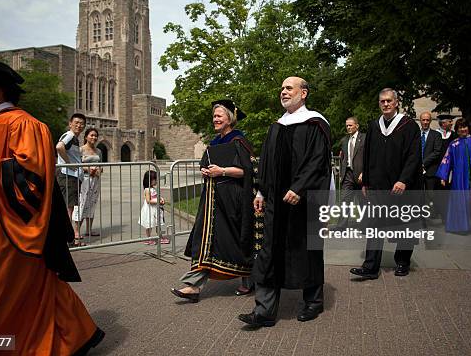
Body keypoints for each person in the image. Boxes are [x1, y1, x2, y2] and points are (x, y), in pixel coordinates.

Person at [0, 56, 104, 354]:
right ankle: (69, 336)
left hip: (8, 228)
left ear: (0, 88)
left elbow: (32, 179)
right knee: (36, 288)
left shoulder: (25, 125)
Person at [238, 77, 332, 328]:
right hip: (277, 203)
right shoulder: (276, 126)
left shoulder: (315, 123)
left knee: (307, 250)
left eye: (289, 88)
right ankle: (264, 311)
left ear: (304, 93)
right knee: (270, 251)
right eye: (281, 88)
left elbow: (318, 162)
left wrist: (299, 187)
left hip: (303, 202)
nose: (283, 92)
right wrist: (260, 192)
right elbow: (267, 163)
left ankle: (313, 301)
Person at [171, 100, 255, 302]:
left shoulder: (239, 141)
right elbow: (208, 165)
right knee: (206, 241)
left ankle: (249, 279)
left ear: (230, 118)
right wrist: (206, 170)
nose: (215, 119)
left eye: (219, 116)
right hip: (212, 202)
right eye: (214, 116)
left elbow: (247, 171)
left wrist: (222, 171)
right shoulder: (215, 143)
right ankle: (194, 286)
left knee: (234, 241)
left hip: (232, 200)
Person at [350, 88, 422, 280]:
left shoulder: (409, 126)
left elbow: (414, 157)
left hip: (402, 186)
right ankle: (371, 266)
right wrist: (366, 182)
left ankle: (402, 262)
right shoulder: (374, 126)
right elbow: (367, 155)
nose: (386, 104)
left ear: (396, 102)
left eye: (389, 101)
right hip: (378, 186)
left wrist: (404, 179)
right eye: (382, 101)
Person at [56, 112, 86, 246]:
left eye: (81, 124)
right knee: (68, 209)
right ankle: (67, 240)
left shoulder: (75, 138)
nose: (79, 125)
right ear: (70, 124)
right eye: (76, 123)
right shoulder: (69, 135)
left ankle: (67, 238)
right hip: (68, 176)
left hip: (72, 177)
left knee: (70, 208)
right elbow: (59, 147)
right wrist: (69, 164)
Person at [79, 127, 102, 238]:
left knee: (92, 204)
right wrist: (88, 169)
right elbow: (76, 166)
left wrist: (99, 170)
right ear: (86, 136)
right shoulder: (81, 150)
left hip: (96, 180)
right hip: (84, 179)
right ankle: (76, 231)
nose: (94, 137)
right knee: (82, 204)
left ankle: (89, 230)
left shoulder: (98, 151)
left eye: (95, 135)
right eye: (91, 135)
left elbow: (101, 166)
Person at [139, 169, 167, 245]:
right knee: (149, 224)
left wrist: (161, 199)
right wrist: (157, 201)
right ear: (149, 180)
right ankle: (148, 238)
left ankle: (160, 237)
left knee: (158, 224)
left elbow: (157, 196)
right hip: (150, 209)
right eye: (155, 179)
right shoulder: (147, 190)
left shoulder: (153, 189)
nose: (156, 181)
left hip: (156, 209)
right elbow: (148, 200)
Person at [419, 111, 443, 197]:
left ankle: (431, 210)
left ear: (430, 121)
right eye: (423, 120)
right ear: (420, 120)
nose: (425, 122)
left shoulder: (436, 135)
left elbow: (437, 152)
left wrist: (423, 163)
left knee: (431, 197)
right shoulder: (415, 135)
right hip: (417, 172)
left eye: (427, 120)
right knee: (418, 196)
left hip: (431, 171)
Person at [339, 117, 365, 190]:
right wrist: (341, 173)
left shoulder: (364, 139)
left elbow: (369, 158)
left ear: (357, 126)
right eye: (347, 126)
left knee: (362, 200)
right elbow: (342, 158)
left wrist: (364, 172)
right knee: (345, 199)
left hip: (360, 175)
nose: (348, 127)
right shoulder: (344, 140)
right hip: (347, 175)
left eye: (350, 125)